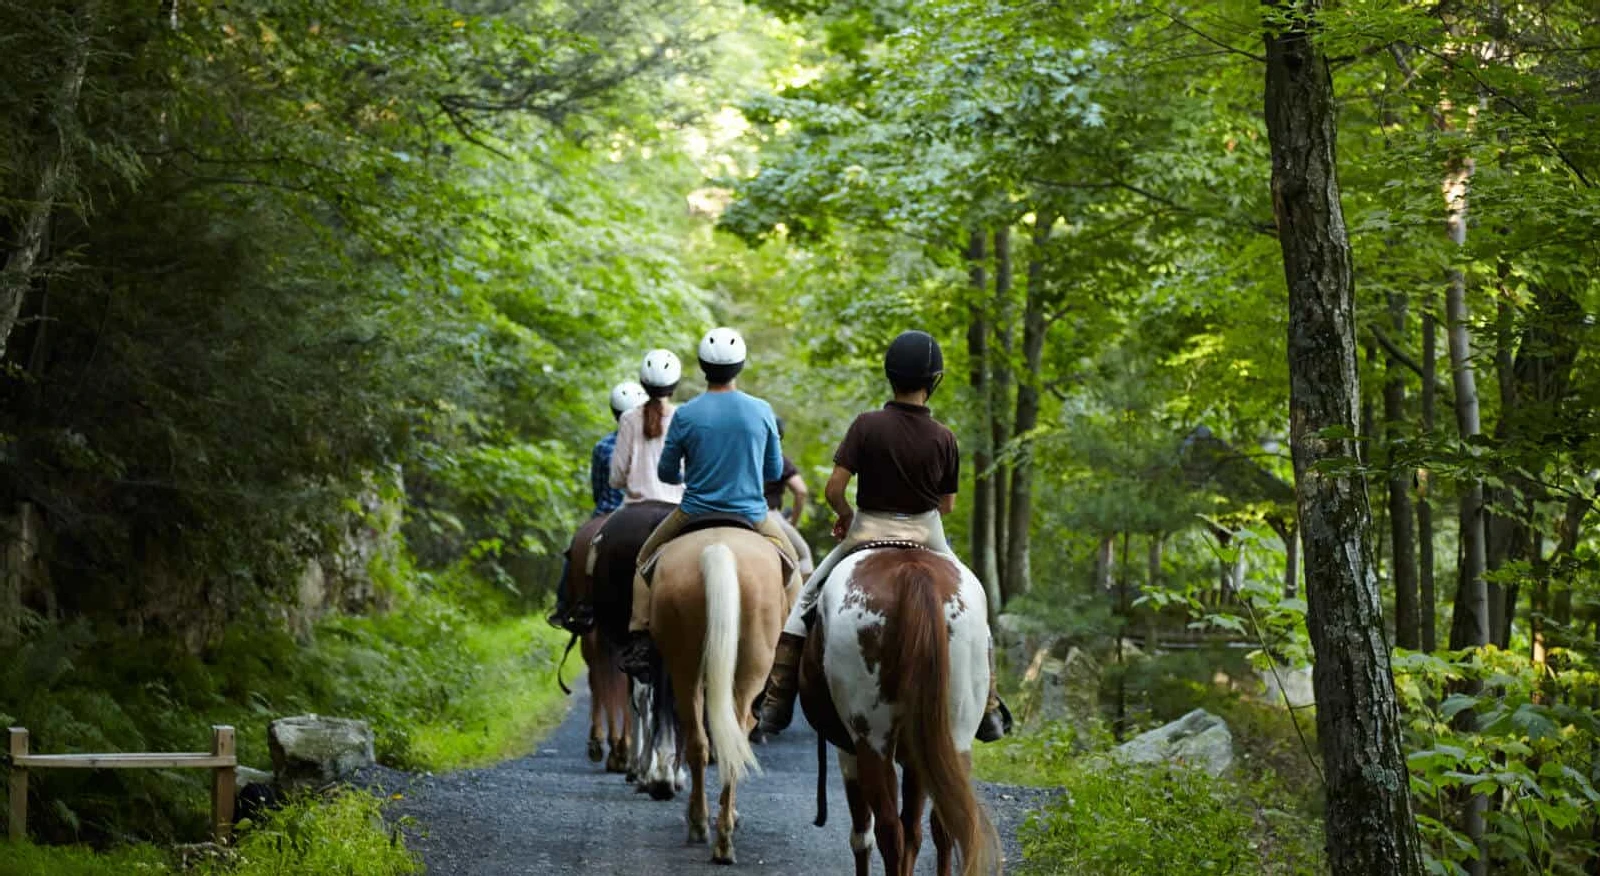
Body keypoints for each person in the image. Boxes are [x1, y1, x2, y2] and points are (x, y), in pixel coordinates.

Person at [755, 329, 1010, 742]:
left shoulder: (866, 425)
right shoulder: (945, 437)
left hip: (867, 529)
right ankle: (991, 707)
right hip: (928, 534)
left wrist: (844, 514)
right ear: (934, 380)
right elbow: (947, 506)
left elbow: (834, 489)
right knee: (974, 604)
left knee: (805, 599)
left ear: (890, 375)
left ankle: (777, 699)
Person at [618, 327, 802, 675]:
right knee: (792, 569)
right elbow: (774, 468)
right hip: (752, 514)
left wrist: (694, 475)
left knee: (644, 560)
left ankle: (640, 634)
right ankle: (792, 647)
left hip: (693, 513)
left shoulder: (686, 414)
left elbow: (668, 472)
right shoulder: (761, 410)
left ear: (703, 367)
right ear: (740, 366)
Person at [547, 380, 649, 631]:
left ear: (615, 414)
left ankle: (565, 604)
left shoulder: (603, 447)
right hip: (644, 509)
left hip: (607, 511)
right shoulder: (651, 443)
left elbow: (598, 488)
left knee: (574, 551)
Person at [609, 349, 688, 508]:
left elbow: (616, 479)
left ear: (643, 384)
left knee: (604, 533)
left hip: (636, 508)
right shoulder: (685, 417)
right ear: (675, 385)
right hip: (675, 508)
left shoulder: (628, 419)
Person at [764, 417, 815, 577]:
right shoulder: (778, 459)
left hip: (733, 510)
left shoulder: (743, 455)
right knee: (804, 556)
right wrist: (793, 522)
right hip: (766, 515)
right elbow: (801, 491)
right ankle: (801, 602)